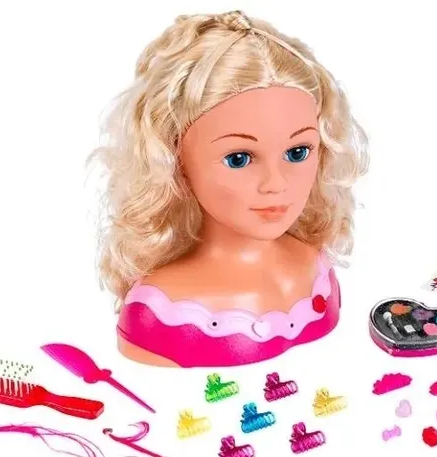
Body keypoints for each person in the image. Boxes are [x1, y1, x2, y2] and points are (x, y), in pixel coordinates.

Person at [92, 10, 369, 367]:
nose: (276, 183)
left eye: (297, 152)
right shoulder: (163, 312)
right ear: (174, 159)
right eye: (239, 159)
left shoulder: (314, 268)